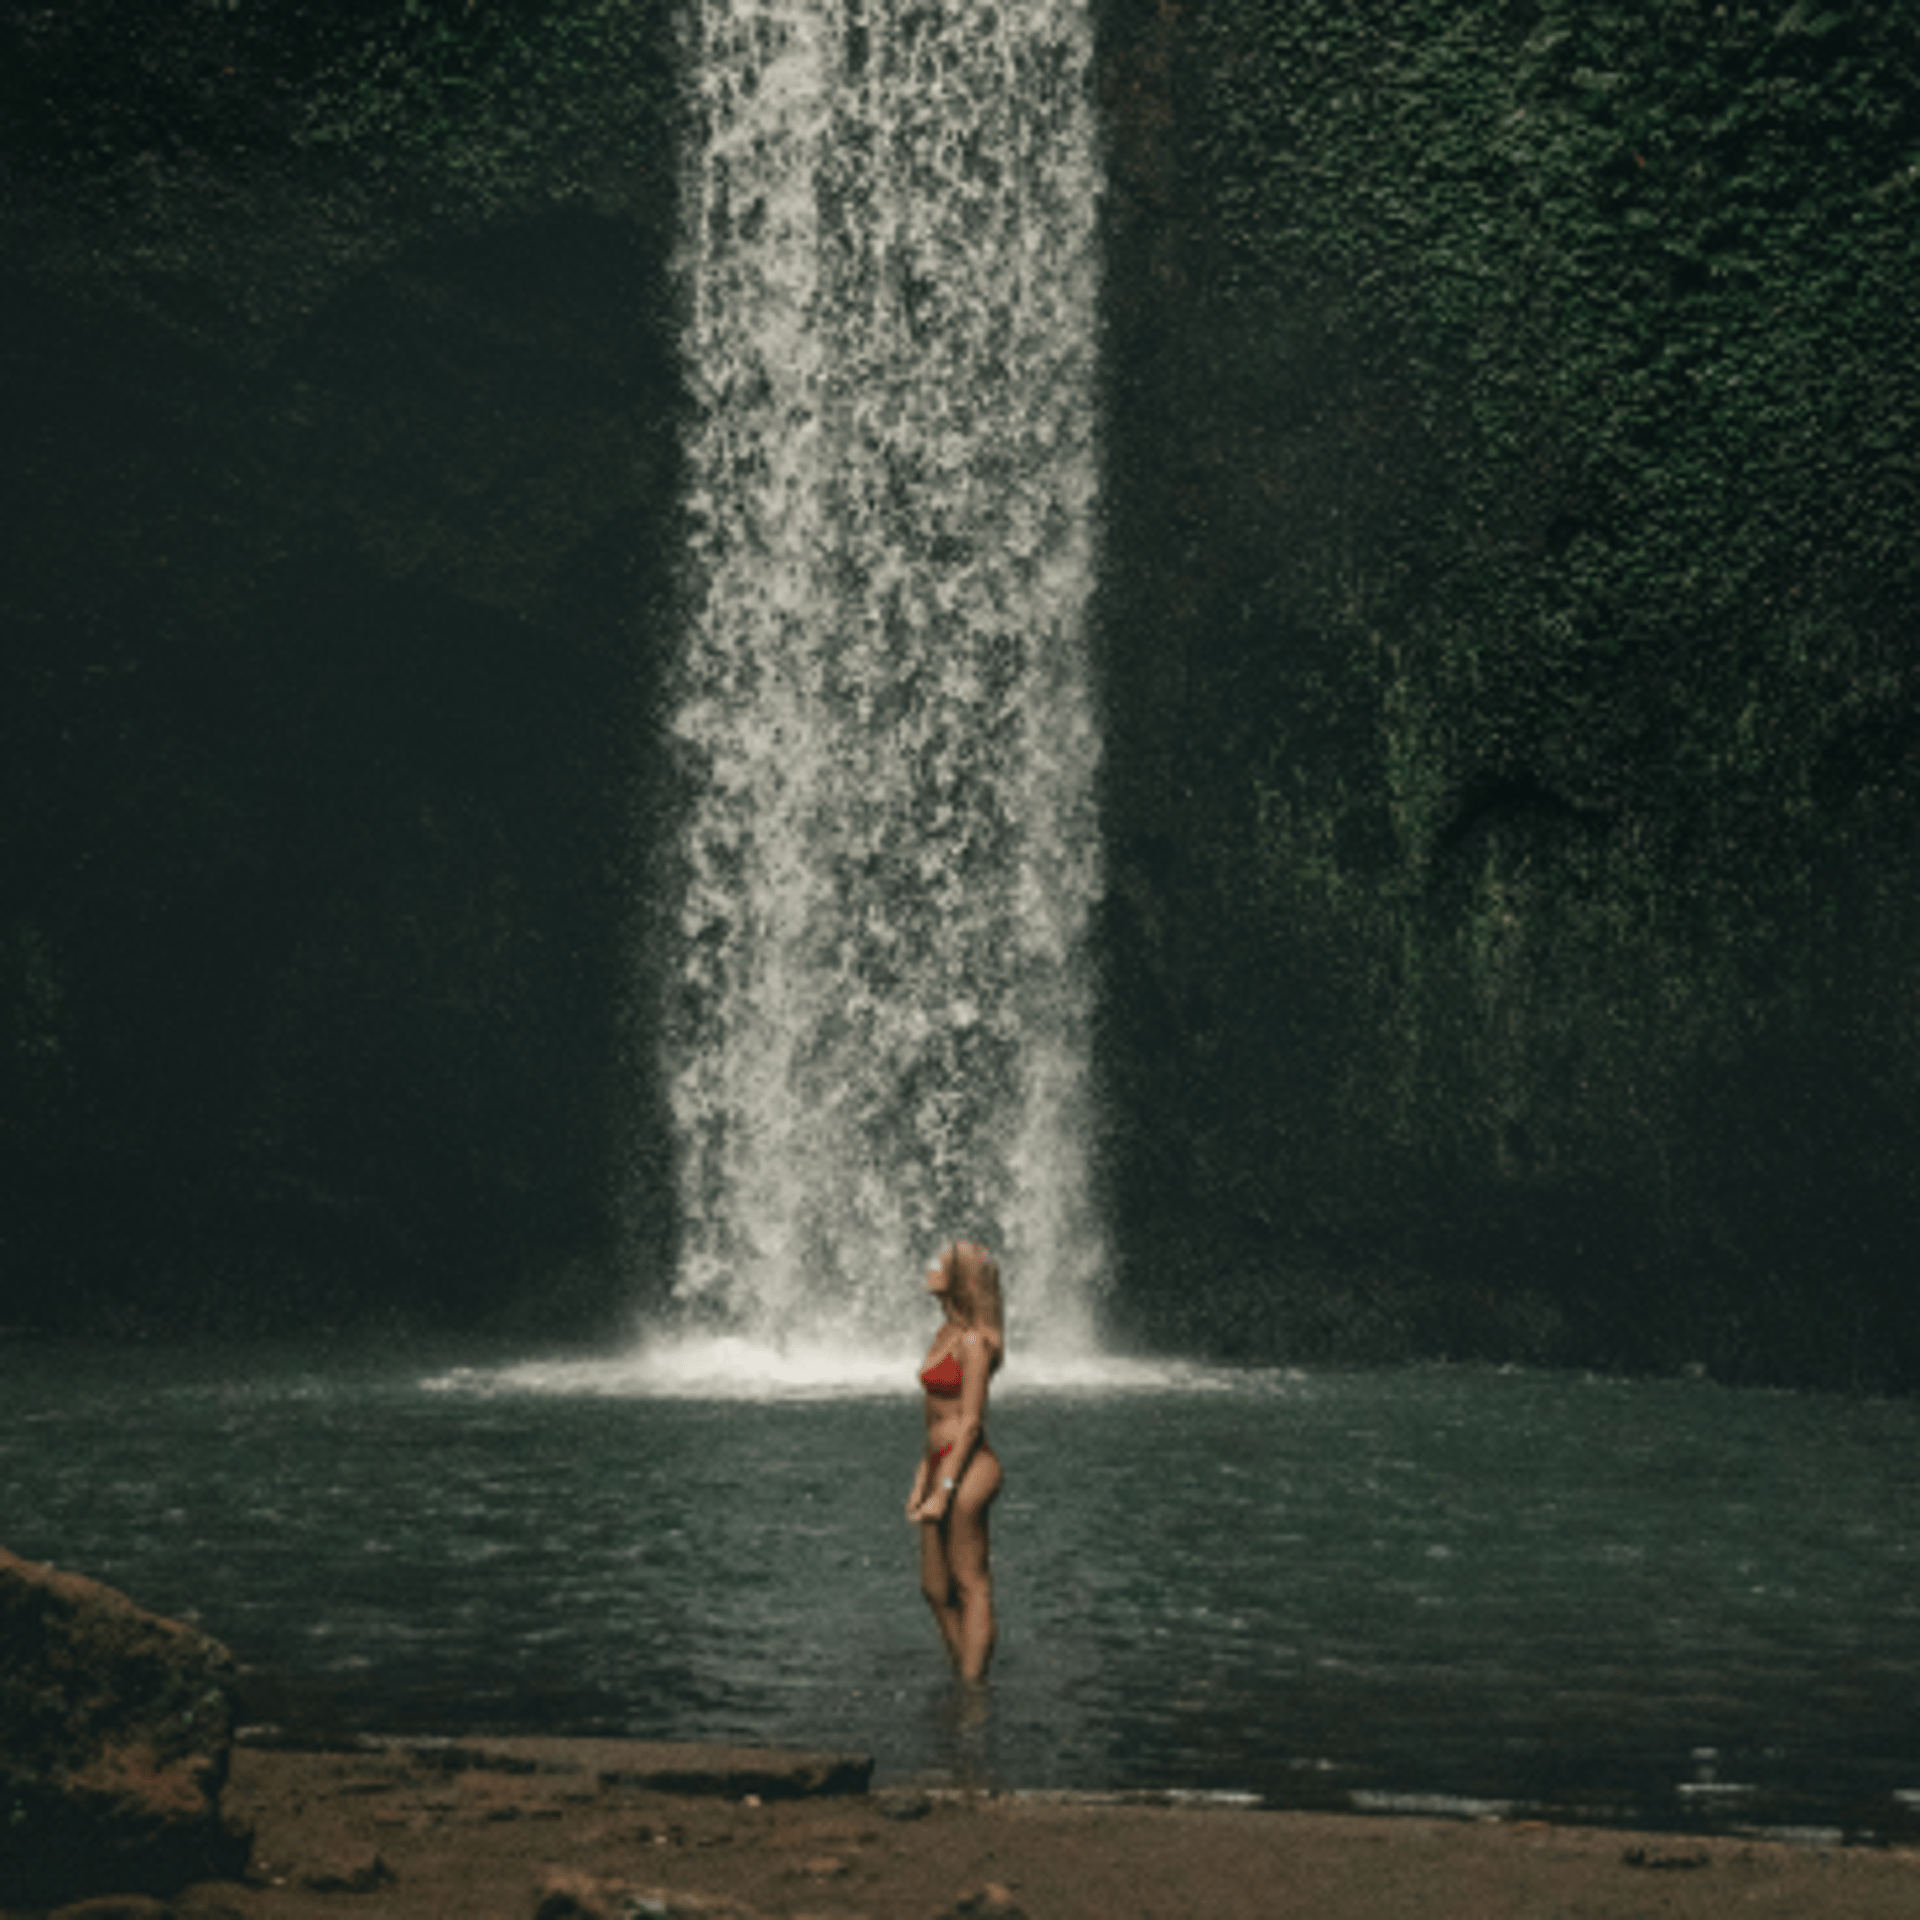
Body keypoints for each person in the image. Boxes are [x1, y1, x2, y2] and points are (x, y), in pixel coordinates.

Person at [905, 1239, 1005, 1681]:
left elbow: (969, 1424)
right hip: (938, 1464)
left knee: (970, 1582)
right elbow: (934, 1421)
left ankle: (972, 1691)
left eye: (938, 1263)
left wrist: (944, 1490)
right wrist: (922, 1477)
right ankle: (966, 1672)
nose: (927, 1267)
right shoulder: (944, 1333)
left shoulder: (974, 1342)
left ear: (960, 1278)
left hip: (969, 1468)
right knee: (933, 1587)